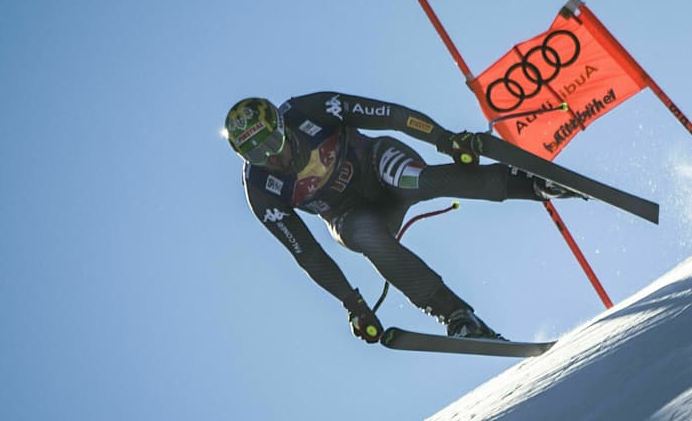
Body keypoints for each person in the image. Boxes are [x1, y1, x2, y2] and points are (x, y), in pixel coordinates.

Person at [223, 92, 574, 344]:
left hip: (377, 165)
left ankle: (532, 184)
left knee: (409, 178)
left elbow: (390, 114)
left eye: (273, 142)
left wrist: (446, 140)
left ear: (282, 125)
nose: (273, 157)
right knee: (360, 234)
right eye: (257, 153)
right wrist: (354, 305)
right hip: (352, 214)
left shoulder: (308, 110)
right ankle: (455, 314)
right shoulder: (260, 187)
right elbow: (308, 254)